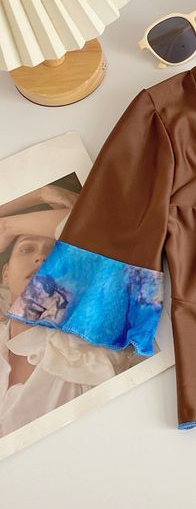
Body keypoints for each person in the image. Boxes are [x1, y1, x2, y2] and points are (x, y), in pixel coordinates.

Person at [0, 183, 140, 437]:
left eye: (55, 252)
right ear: (5, 274)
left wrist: (8, 226)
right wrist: (37, 193)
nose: (41, 258)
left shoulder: (91, 340)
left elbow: (99, 229)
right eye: (27, 249)